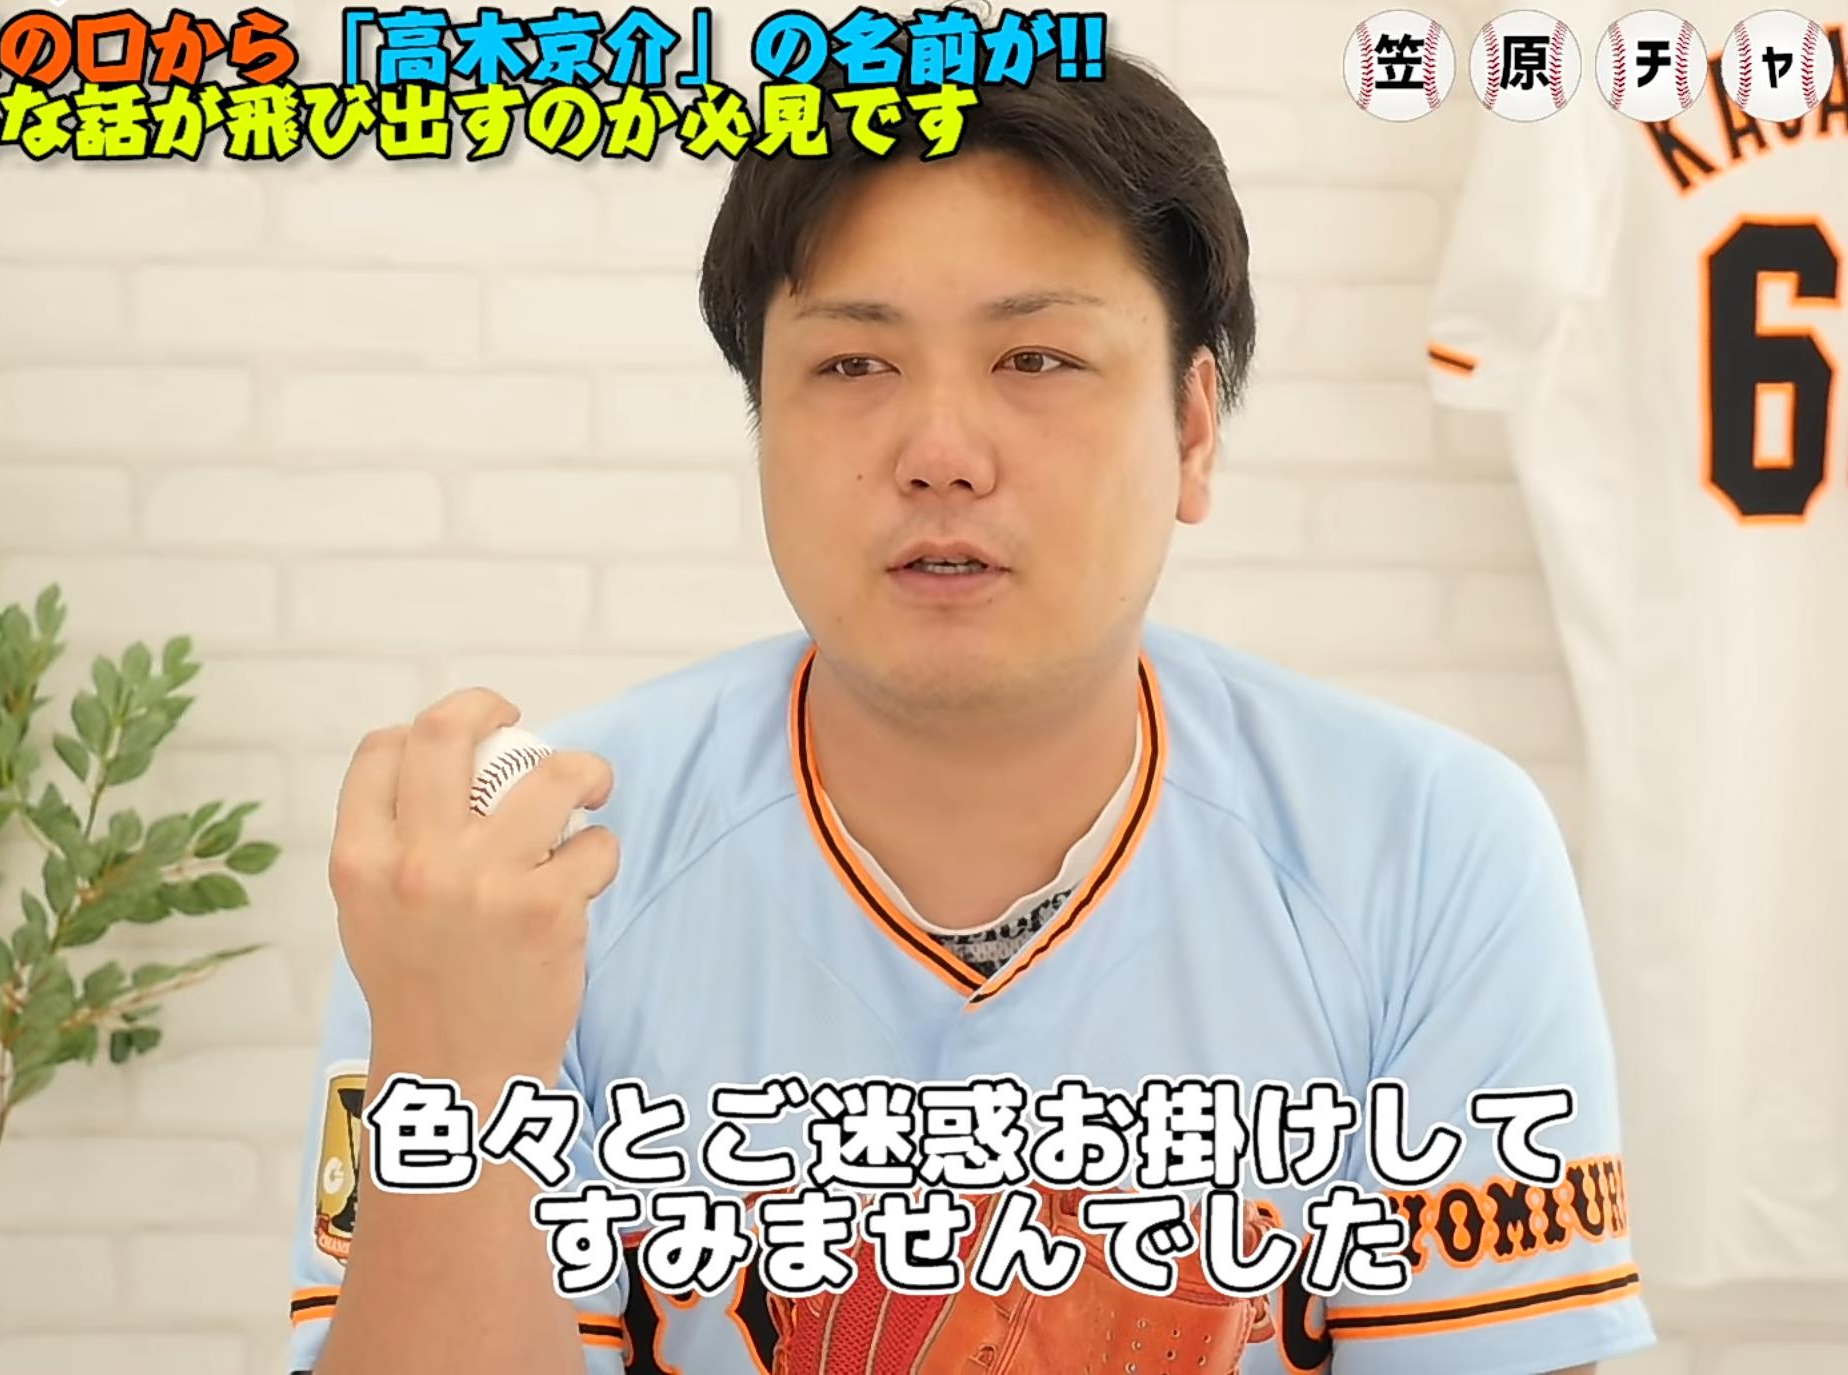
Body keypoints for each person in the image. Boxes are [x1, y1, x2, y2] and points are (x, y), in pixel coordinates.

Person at [286, 34, 1654, 1375]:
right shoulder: (511, 878)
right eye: (852, 366)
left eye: (1036, 360)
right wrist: (455, 1062)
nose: (940, 455)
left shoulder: (1428, 849)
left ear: (1192, 427)